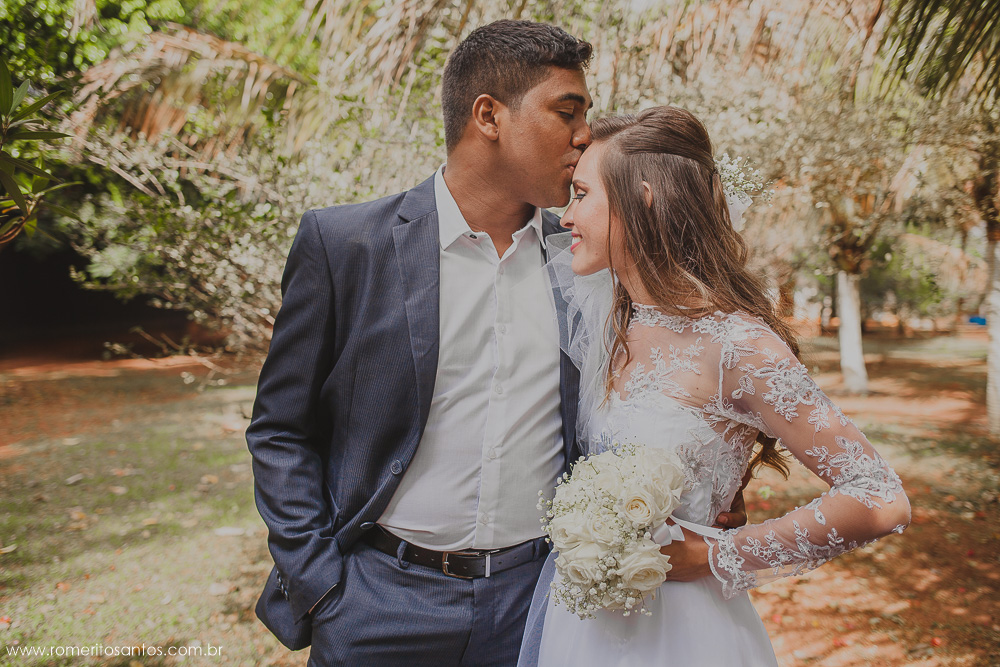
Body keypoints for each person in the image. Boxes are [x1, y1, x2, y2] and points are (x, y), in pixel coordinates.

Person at [248, 20, 750, 666]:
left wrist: (715, 472)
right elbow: (280, 430)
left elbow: (676, 366)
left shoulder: (590, 258)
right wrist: (324, 587)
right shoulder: (345, 245)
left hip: (543, 601)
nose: (583, 136)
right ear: (488, 115)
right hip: (376, 601)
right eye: (565, 112)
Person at [518, 106, 912, 666]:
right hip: (580, 624)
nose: (565, 216)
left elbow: (880, 498)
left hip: (680, 634)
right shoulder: (608, 320)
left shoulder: (736, 345)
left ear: (644, 198)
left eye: (582, 194)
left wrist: (718, 552)